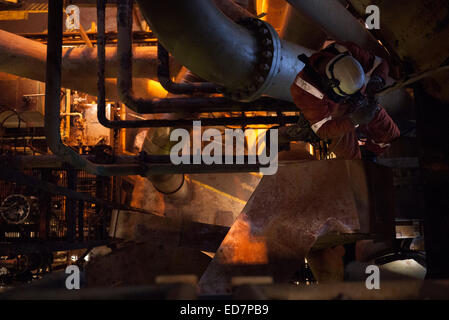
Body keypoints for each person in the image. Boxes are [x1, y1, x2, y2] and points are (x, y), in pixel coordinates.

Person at [289, 41, 400, 159]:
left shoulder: (346, 50)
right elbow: (322, 129)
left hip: (361, 104)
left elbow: (381, 64)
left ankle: (369, 157)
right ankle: (360, 167)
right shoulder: (304, 90)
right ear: (329, 84)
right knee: (350, 160)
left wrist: (377, 80)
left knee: (390, 135)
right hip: (336, 119)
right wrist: (353, 120)